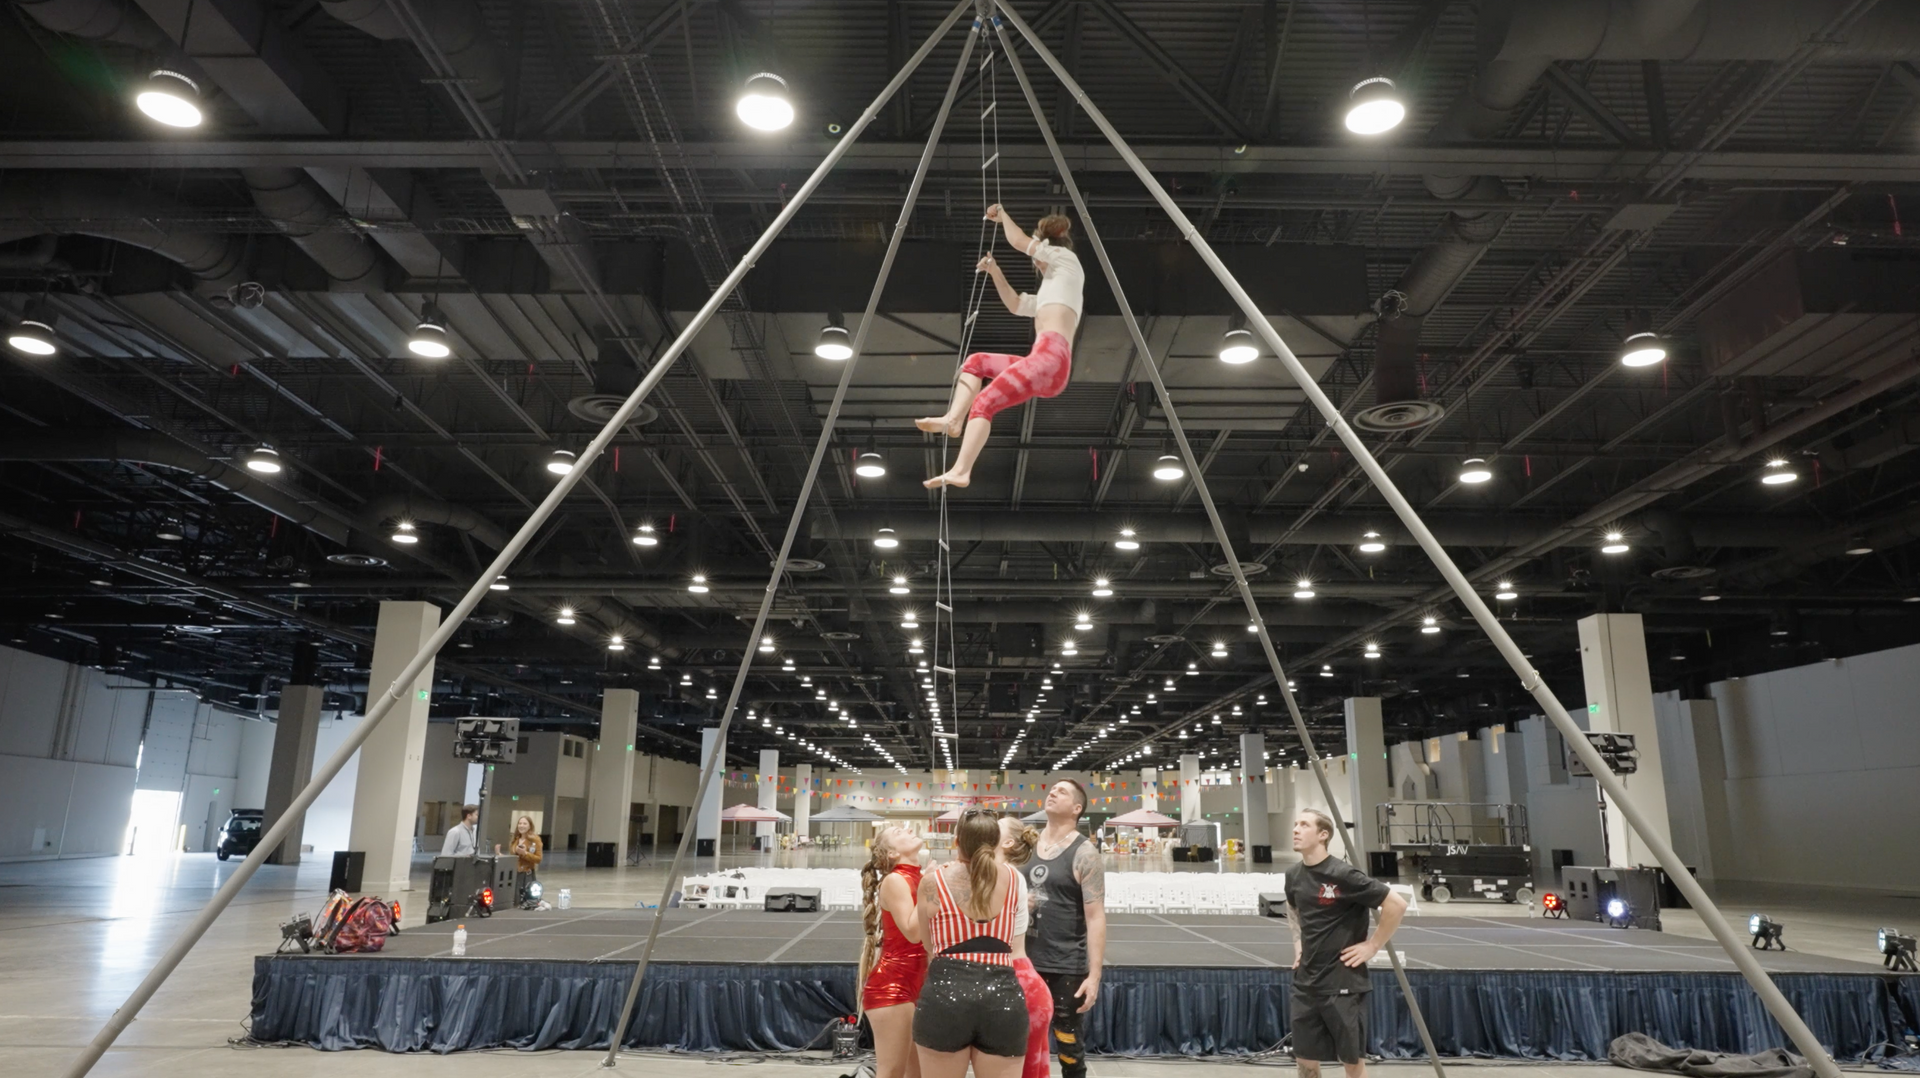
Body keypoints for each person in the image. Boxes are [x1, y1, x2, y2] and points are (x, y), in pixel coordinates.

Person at [920, 205, 1084, 489]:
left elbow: (1020, 242)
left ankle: (961, 471)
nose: (1036, 262)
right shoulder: (1054, 290)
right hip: (1045, 363)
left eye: (1038, 254)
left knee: (984, 403)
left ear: (1048, 246)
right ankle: (954, 420)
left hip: (1051, 360)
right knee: (976, 362)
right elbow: (1016, 304)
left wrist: (1004, 216)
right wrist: (995, 271)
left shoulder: (1066, 260)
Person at [1285, 809, 1409, 1078]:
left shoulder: (1343, 874)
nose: (1295, 829)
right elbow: (1293, 908)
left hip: (1342, 983)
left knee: (1351, 1062)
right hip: (1306, 983)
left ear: (1323, 835)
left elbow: (1396, 904)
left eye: (1303, 825)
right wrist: (1298, 946)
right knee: (1305, 1060)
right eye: (1295, 824)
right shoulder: (1293, 875)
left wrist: (1372, 946)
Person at [914, 809, 1027, 1078]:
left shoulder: (932, 882)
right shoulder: (1013, 879)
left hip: (945, 998)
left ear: (956, 842)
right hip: (1003, 998)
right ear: (996, 842)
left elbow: (928, 945)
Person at [1021, 780, 1106, 1078]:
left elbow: (1096, 918)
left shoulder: (1085, 853)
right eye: (1052, 788)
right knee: (1018, 1046)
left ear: (1076, 809)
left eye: (1062, 791)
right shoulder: (1025, 845)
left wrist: (1094, 976)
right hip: (1021, 961)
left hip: (1065, 966)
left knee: (1069, 1049)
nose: (1052, 792)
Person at [861, 825, 929, 1078]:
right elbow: (913, 931)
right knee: (891, 1072)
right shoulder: (895, 880)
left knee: (918, 1073)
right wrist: (929, 888)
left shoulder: (920, 877)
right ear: (892, 854)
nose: (909, 830)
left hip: (919, 982)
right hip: (893, 985)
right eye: (900, 833)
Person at [998, 816, 1052, 1078]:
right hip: (1015, 979)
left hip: (1018, 982)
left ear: (1007, 842)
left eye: (996, 826)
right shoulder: (1008, 876)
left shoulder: (1007, 876)